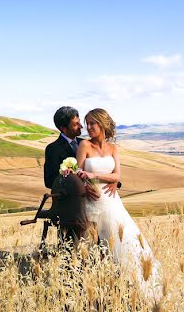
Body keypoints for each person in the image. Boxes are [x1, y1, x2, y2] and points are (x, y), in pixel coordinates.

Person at [76, 108, 163, 303]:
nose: (88, 127)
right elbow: (77, 174)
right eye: (87, 123)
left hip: (112, 201)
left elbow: (117, 176)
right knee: (97, 244)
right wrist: (85, 184)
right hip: (92, 200)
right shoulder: (84, 145)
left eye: (93, 123)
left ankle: (136, 285)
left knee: (126, 240)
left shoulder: (113, 149)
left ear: (103, 124)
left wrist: (96, 176)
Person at [44, 106, 118, 198]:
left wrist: (114, 182)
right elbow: (49, 182)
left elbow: (105, 169)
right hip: (69, 201)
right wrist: (79, 185)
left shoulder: (85, 143)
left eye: (79, 122)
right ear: (64, 128)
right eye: (76, 124)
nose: (81, 126)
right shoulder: (53, 149)